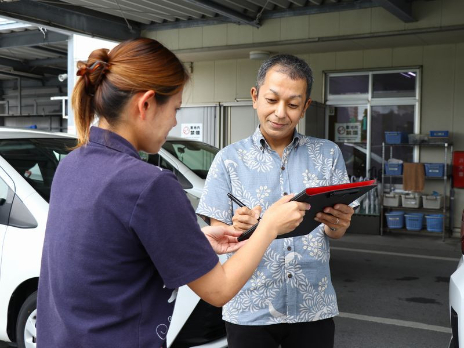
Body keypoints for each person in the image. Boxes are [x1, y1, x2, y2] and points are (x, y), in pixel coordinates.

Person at [36, 39, 310, 348]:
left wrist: (192, 241)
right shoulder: (149, 183)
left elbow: (109, 257)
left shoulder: (71, 164)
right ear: (147, 103)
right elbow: (218, 291)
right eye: (175, 108)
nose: (175, 121)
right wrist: (270, 225)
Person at [196, 54, 356, 348]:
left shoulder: (328, 154)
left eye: (293, 104)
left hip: (313, 306)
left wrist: (338, 224)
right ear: (255, 97)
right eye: (272, 100)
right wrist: (240, 227)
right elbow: (221, 239)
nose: (280, 113)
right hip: (249, 308)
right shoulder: (228, 160)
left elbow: (335, 232)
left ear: (305, 106)